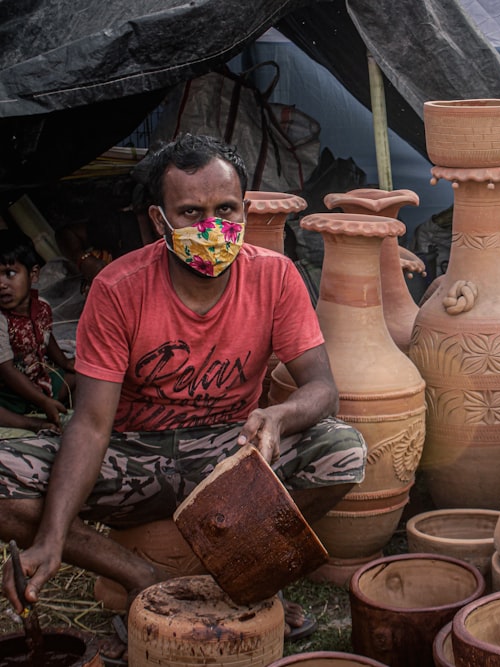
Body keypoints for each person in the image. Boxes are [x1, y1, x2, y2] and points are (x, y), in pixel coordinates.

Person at [0, 134, 366, 646]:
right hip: (128, 456)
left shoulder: (275, 276)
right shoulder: (117, 287)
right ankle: (140, 579)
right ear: (158, 220)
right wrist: (51, 538)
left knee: (342, 451)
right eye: (191, 212)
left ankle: (245, 577)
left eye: (226, 209)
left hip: (229, 455)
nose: (212, 226)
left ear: (247, 209)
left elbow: (323, 388)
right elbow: (90, 423)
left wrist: (279, 417)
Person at [0, 232, 76, 430]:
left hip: (40, 379)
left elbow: (46, 336)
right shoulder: (1, 320)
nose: (1, 285)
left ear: (33, 274)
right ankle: (30, 422)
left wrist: (64, 362)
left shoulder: (42, 306)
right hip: (8, 394)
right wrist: (43, 402)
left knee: (82, 380)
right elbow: (6, 370)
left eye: (9, 273)